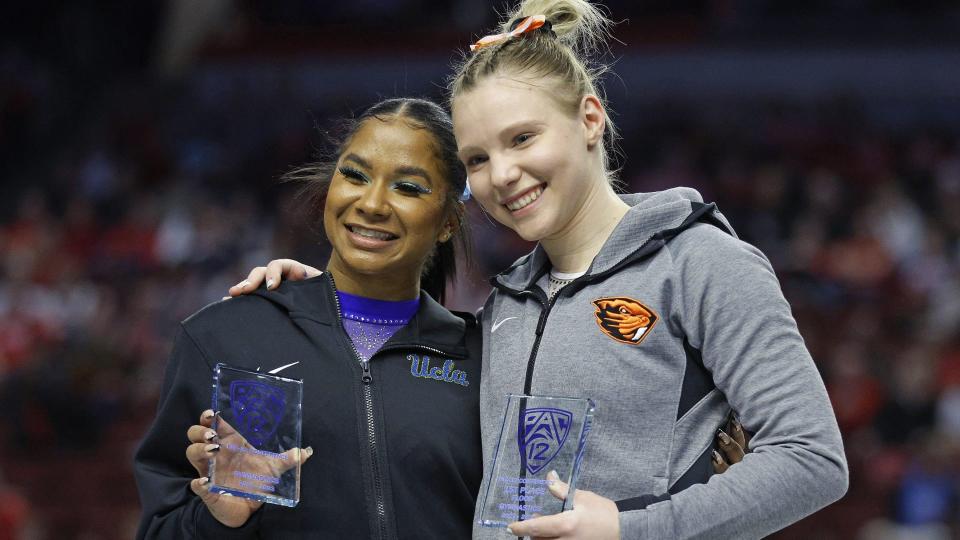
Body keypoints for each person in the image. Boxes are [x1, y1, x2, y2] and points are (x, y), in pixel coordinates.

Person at [237, 0, 849, 538]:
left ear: (589, 118)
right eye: (477, 158)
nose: (501, 175)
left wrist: (629, 531)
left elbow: (813, 459)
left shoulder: (700, 263)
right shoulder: (505, 306)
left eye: (523, 139)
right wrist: (340, 300)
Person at [133, 98, 483, 539]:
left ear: (450, 221)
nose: (372, 203)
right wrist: (223, 522)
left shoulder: (480, 360)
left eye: (408, 187)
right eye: (355, 175)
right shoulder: (227, 337)